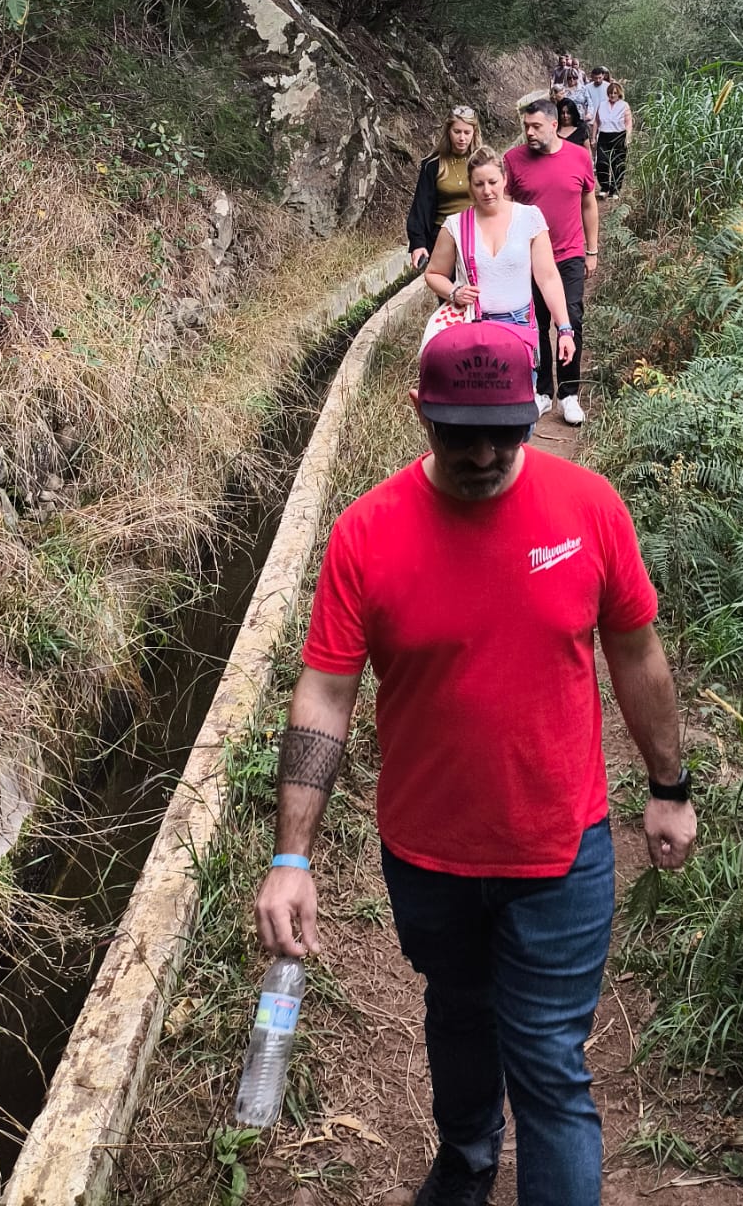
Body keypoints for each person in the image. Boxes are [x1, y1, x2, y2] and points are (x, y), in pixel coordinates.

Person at [254, 320, 696, 1206]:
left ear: (532, 411)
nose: (487, 452)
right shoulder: (365, 534)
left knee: (545, 1063)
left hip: (558, 852)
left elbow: (637, 655)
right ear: (422, 414)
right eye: (462, 432)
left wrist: (668, 788)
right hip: (425, 853)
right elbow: (325, 696)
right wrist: (291, 854)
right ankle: (464, 1161)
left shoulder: (589, 509)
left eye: (507, 429)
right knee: (456, 1009)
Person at [423, 146, 576, 380]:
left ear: (505, 179)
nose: (487, 191)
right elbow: (433, 273)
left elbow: (548, 278)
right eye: (479, 184)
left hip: (519, 327)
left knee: (519, 406)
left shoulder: (529, 217)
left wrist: (564, 328)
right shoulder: (455, 225)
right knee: (477, 406)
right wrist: (454, 292)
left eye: (493, 182)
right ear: (470, 186)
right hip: (473, 328)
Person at [504, 95, 599, 426]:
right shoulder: (513, 161)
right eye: (526, 127)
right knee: (537, 323)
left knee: (571, 318)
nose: (529, 132)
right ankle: (542, 390)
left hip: (569, 253)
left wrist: (592, 249)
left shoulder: (578, 157)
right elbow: (504, 208)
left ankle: (569, 394)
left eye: (536, 126)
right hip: (528, 258)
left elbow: (589, 203)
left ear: (554, 125)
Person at [407, 106, 482, 269]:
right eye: (457, 132)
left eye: (467, 133)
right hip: (443, 238)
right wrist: (418, 243)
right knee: (449, 292)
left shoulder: (482, 162)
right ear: (448, 131)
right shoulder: (433, 165)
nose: (462, 138)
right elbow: (421, 206)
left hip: (478, 237)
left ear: (474, 133)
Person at [594, 79, 633, 199]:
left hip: (619, 136)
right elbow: (596, 121)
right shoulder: (602, 104)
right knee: (601, 162)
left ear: (619, 94)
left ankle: (615, 189)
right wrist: (593, 136)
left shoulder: (624, 105)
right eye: (611, 93)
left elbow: (628, 123)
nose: (612, 95)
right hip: (604, 135)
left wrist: (628, 137)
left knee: (618, 164)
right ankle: (604, 187)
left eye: (615, 93)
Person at [582, 67, 611, 147]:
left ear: (603, 76)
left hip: (605, 119)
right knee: (592, 141)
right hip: (591, 119)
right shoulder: (587, 88)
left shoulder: (608, 86)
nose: (598, 80)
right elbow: (585, 103)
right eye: (595, 78)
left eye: (600, 78)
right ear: (592, 77)